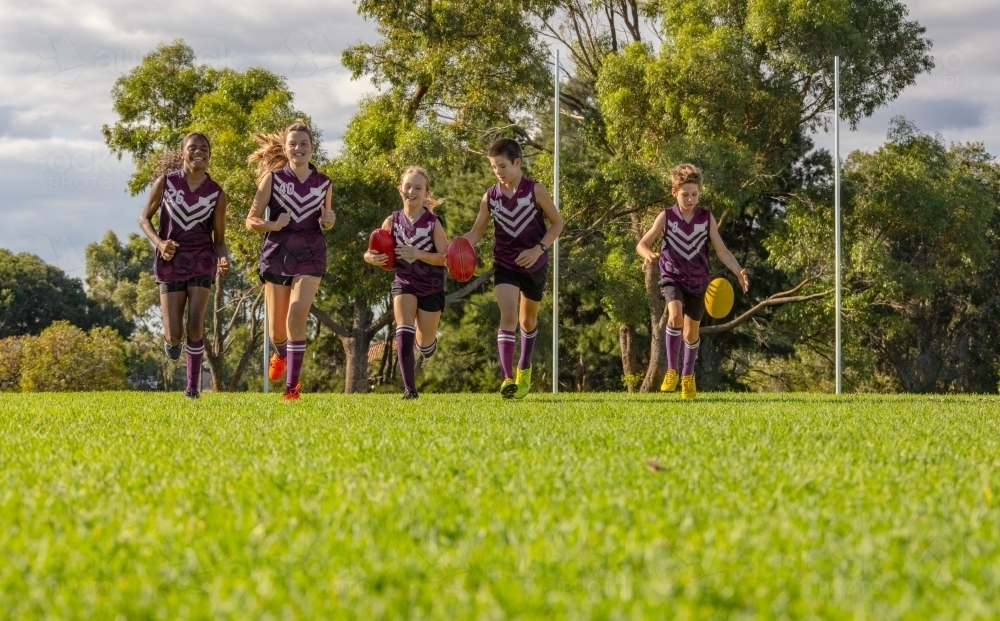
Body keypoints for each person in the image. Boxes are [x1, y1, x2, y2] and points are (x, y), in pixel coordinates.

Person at [635, 163, 749, 399]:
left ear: (700, 192)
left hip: (698, 281)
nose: (690, 199)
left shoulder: (706, 218)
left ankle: (687, 377)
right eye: (685, 194)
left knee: (690, 334)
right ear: (674, 192)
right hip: (671, 276)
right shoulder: (666, 216)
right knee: (674, 315)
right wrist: (647, 255)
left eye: (694, 194)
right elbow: (642, 244)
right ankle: (672, 372)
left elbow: (722, 251)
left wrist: (738, 270)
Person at [463, 138, 564, 399]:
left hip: (535, 263)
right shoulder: (490, 196)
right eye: (494, 167)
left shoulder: (535, 190)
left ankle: (524, 367)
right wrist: (456, 247)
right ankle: (507, 378)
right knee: (508, 315)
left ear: (518, 163)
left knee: (527, 320)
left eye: (503, 166)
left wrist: (538, 249)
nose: (498, 172)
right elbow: (476, 233)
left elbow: (557, 224)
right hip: (505, 264)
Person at [245, 120, 335, 401]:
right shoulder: (272, 179)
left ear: (312, 148)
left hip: (311, 254)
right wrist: (272, 225)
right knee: (277, 330)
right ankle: (281, 352)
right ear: (285, 148)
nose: (298, 148)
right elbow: (251, 220)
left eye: (304, 144)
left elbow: (326, 221)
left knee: (297, 315)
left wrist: (329, 221)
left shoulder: (324, 183)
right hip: (277, 254)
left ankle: (292, 390)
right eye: (293, 144)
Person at [139, 132, 230, 399]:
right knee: (176, 332)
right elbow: (144, 218)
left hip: (202, 259)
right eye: (193, 147)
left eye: (204, 148)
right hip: (170, 260)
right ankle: (171, 341)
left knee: (195, 324)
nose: (199, 151)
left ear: (210, 154)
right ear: (183, 153)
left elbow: (220, 240)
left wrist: (223, 258)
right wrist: (159, 243)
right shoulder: (165, 183)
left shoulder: (217, 194)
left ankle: (192, 388)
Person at [364, 166, 449, 399]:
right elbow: (370, 252)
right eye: (408, 186)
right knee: (404, 331)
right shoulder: (392, 221)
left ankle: (427, 345)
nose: (411, 191)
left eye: (418, 188)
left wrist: (417, 253)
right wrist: (372, 258)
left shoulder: (433, 223)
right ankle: (410, 390)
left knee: (424, 343)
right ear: (400, 189)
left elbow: (445, 258)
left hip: (431, 286)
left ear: (426, 192)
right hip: (404, 282)